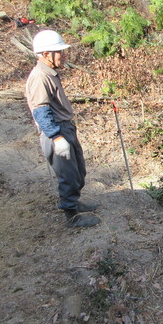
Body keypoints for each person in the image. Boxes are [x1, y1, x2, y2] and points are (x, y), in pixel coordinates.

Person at [25, 30, 100, 228]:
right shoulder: (40, 77)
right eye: (60, 52)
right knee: (67, 175)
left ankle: (74, 203)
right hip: (56, 131)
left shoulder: (50, 73)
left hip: (65, 128)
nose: (64, 55)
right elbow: (41, 111)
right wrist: (57, 138)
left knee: (78, 171)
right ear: (45, 54)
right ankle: (71, 216)